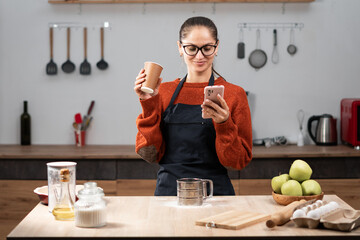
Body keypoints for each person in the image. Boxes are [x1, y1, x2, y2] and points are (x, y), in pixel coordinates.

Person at [134, 16, 252, 196]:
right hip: (169, 195)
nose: (199, 56)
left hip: (216, 196)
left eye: (207, 48)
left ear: (217, 47)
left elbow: (238, 162)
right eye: (191, 48)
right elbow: (149, 154)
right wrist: (148, 104)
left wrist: (224, 124)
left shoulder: (234, 94)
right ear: (180, 48)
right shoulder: (162, 92)